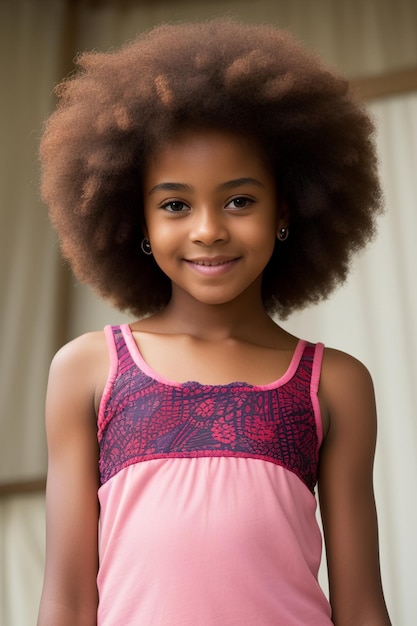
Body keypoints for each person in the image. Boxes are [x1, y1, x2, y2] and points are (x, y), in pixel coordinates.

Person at [37, 18, 392, 626]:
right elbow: (67, 601)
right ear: (137, 220)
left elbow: (360, 605)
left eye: (239, 200)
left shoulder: (334, 383)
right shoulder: (87, 370)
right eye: (176, 204)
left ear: (286, 210)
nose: (208, 230)